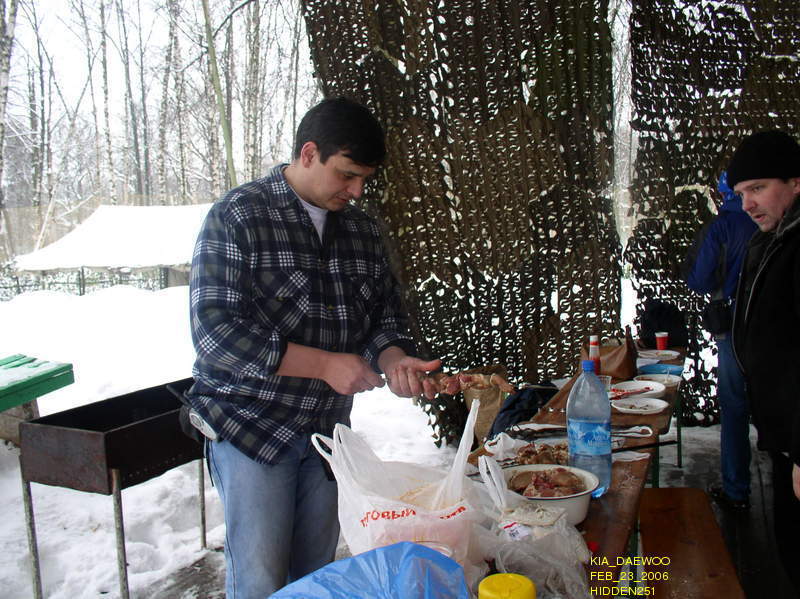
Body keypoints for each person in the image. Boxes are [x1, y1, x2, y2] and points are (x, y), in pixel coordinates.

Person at [186, 97, 441, 598]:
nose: (357, 190)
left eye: (364, 179)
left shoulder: (362, 231)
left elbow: (384, 318)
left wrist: (396, 360)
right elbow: (215, 333)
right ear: (308, 153)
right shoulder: (239, 216)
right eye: (347, 175)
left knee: (316, 578)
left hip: (326, 435)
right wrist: (324, 364)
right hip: (251, 429)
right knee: (260, 581)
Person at [727, 129, 800, 594]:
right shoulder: (774, 239)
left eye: (758, 188)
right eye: (740, 193)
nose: (748, 204)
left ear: (796, 181)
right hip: (783, 433)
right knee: (789, 550)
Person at [684, 171, 757, 510]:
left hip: (733, 328)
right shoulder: (780, 221)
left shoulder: (721, 227)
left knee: (734, 406)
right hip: (776, 327)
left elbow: (699, 280)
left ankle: (736, 489)